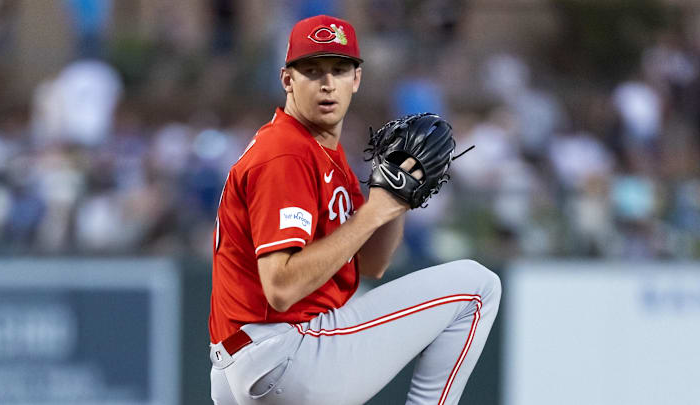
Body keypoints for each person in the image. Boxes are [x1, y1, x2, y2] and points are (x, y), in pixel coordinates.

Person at [208, 15, 501, 405]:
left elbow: (369, 265)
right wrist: (372, 212)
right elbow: (280, 288)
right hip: (283, 352)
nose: (327, 83)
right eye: (312, 71)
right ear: (287, 80)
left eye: (339, 69)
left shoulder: (324, 155)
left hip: (252, 364)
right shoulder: (286, 153)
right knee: (476, 287)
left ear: (356, 79)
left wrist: (395, 201)